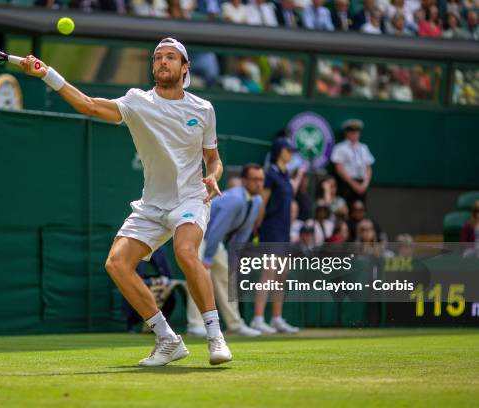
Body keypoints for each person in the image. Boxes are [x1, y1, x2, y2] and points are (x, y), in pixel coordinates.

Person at [19, 38, 232, 366]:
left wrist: (214, 175)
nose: (162, 62)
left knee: (185, 252)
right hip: (152, 205)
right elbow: (89, 105)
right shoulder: (137, 102)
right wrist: (48, 74)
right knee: (117, 264)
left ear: (185, 67)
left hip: (191, 198)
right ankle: (167, 339)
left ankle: (215, 336)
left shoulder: (203, 109)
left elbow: (213, 159)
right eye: (157, 57)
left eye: (170, 57)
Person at [186, 164, 264, 338]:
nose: (259, 184)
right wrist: (206, 258)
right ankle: (195, 325)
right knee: (198, 276)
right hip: (198, 234)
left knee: (227, 277)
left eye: (261, 180)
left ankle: (235, 324)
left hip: (212, 240)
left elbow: (244, 233)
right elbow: (217, 230)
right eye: (254, 179)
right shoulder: (235, 200)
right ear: (244, 181)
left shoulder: (257, 201)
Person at [251, 138, 300, 334]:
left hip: (284, 231)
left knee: (280, 276)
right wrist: (256, 227)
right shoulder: (270, 174)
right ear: (280, 151)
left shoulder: (286, 175)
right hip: (270, 229)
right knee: (268, 275)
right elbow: (262, 203)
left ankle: (277, 319)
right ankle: (257, 319)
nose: (291, 153)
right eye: (288, 150)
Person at [331, 118, 375, 209]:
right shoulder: (340, 148)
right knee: (345, 209)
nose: (354, 134)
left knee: (361, 209)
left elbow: (368, 167)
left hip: (362, 184)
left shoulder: (363, 148)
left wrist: (364, 184)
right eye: (351, 131)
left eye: (356, 131)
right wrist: (353, 184)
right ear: (346, 133)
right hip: (347, 184)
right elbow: (339, 168)